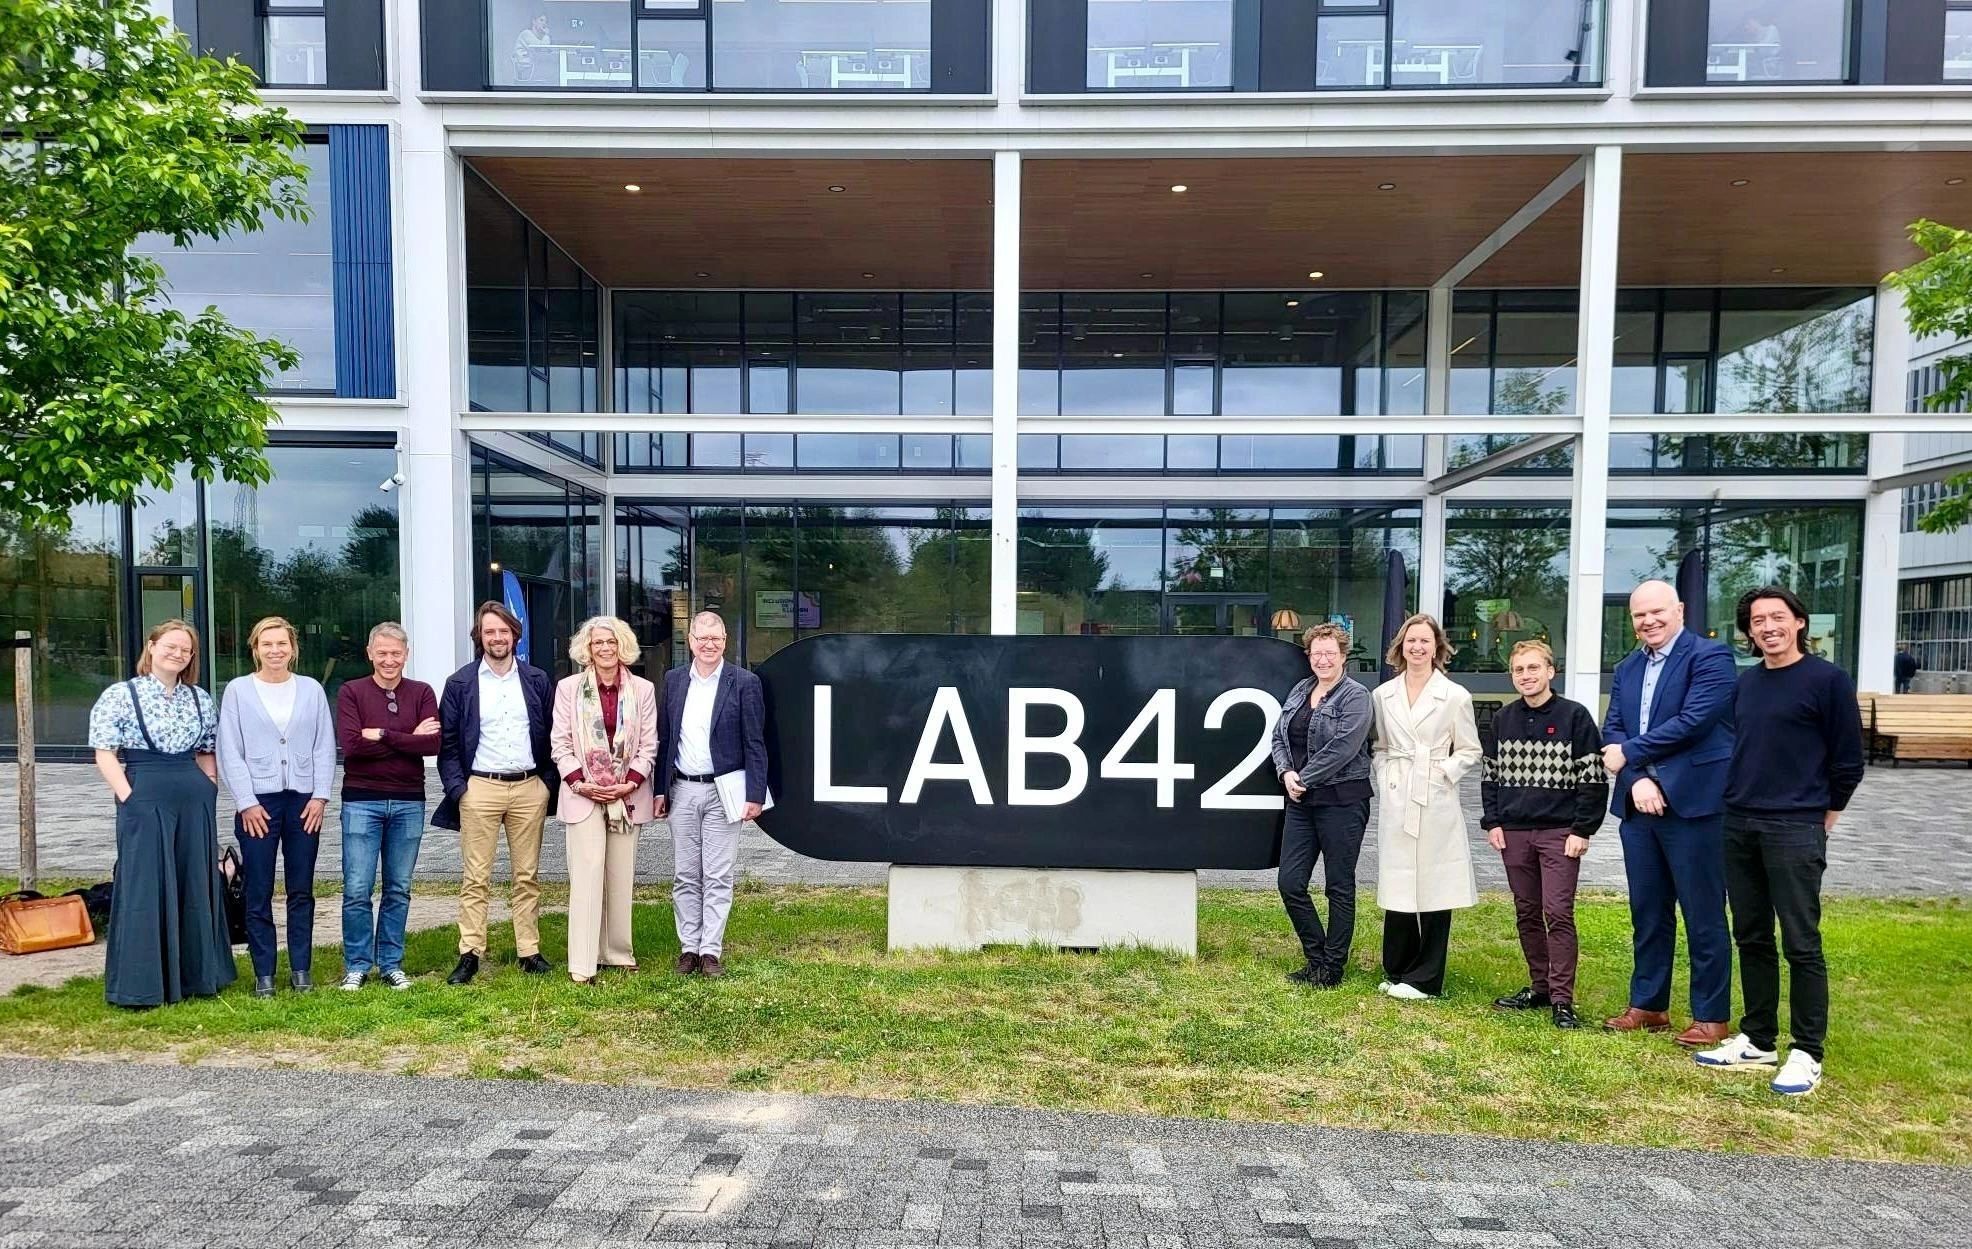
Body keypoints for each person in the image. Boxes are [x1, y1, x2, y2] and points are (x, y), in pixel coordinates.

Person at [1694, 586, 1865, 1097]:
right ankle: (1758, 1039)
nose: (1768, 627)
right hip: (1739, 822)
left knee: (1801, 942)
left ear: (1799, 622)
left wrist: (1823, 818)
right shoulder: (1747, 684)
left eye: (1777, 617)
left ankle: (1807, 1051)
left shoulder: (1828, 680)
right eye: (1757, 620)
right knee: (1750, 935)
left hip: (1795, 826)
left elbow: (1848, 761)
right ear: (1749, 631)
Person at [1600, 579, 1737, 1046]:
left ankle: (1711, 1015)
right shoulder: (1628, 667)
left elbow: (1693, 722)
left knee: (1703, 913)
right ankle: (1648, 1004)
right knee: (1648, 910)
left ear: (1679, 610)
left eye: (1657, 611)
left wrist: (1630, 756)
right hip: (1639, 804)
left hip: (1694, 803)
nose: (1649, 621)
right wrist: (1637, 778)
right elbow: (1613, 728)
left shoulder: (1710, 658)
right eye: (1640, 615)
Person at [88, 619, 235, 1008]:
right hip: (144, 793)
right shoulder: (121, 695)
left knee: (194, 881)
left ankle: (197, 976)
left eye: (185, 649)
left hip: (193, 798)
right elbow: (104, 752)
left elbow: (207, 749)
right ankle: (142, 984)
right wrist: (128, 797)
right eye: (171, 646)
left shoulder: (199, 698)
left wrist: (209, 787)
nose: (178, 654)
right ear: (152, 647)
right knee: (144, 883)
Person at [1481, 639, 1607, 1030]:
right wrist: (1493, 822)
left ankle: (1562, 999)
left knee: (1557, 912)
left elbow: (1593, 777)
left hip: (1559, 832)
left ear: (1551, 671)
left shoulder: (1575, 716)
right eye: (1519, 670)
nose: (1526, 676)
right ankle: (1540, 988)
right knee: (1527, 912)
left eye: (1534, 668)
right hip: (1514, 832)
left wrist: (1582, 829)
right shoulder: (1503, 720)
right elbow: (1490, 775)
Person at [434, 601, 557, 985]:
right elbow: (447, 744)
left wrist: (546, 783)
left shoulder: (537, 680)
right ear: (480, 637)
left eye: (504, 631)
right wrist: (460, 790)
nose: (497, 638)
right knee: (476, 877)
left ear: (515, 636)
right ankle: (470, 953)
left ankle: (529, 951)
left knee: (527, 876)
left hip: (528, 788)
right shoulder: (460, 683)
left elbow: (554, 733)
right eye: (490, 631)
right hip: (480, 788)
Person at [216, 616, 337, 998]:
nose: (275, 650)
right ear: (255, 649)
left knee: (301, 888)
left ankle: (301, 969)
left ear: (293, 648)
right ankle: (264, 973)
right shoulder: (238, 691)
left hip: (303, 802)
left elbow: (324, 746)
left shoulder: (311, 689)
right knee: (258, 889)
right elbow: (229, 750)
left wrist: (320, 796)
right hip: (258, 804)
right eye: (267, 644)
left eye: (281, 643)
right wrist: (245, 802)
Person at [1370, 613, 1482, 1000]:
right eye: (1411, 640)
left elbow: (1469, 749)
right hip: (1398, 790)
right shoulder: (1383, 695)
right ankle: (1398, 968)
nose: (1417, 647)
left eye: (1425, 641)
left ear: (1437, 648)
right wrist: (1386, 773)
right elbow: (1381, 746)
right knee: (1399, 880)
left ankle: (1426, 978)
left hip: (1435, 797)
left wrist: (1442, 773)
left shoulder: (1455, 696)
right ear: (1401, 646)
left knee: (1436, 883)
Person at [656, 611, 767, 979]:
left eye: (715, 638)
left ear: (725, 641)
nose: (708, 644)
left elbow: (755, 741)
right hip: (682, 789)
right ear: (690, 641)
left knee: (718, 875)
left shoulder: (745, 682)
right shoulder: (673, 680)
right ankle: (688, 947)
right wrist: (659, 790)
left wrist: (755, 793)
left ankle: (710, 951)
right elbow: (665, 737)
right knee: (686, 874)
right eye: (702, 638)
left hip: (724, 791)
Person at [551, 615, 660, 985]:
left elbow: (649, 745)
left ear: (622, 646)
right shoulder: (568, 689)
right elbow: (560, 743)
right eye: (598, 642)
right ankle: (583, 963)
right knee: (587, 875)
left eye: (611, 642)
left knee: (619, 876)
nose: (605, 648)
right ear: (587, 648)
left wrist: (628, 784)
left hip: (627, 797)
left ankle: (615, 952)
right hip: (583, 795)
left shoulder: (643, 690)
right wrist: (581, 784)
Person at [335, 622, 441, 992]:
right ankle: (357, 965)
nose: (389, 660)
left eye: (396, 653)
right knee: (357, 888)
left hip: (409, 801)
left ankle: (391, 964)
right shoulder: (352, 691)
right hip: (361, 801)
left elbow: (432, 745)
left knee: (398, 887)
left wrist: (382, 734)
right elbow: (352, 746)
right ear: (370, 653)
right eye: (382, 653)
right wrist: (409, 738)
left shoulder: (422, 692)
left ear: (406, 654)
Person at [1268, 621, 1375, 989]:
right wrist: (1285, 772)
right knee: (1290, 882)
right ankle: (1316, 957)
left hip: (1342, 801)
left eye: (1330, 653)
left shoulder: (1356, 697)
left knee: (1339, 887)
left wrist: (1304, 778)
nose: (1323, 660)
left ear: (1343, 656)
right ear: (1309, 656)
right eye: (1317, 653)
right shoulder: (1300, 690)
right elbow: (1278, 735)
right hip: (1301, 801)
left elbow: (1344, 747)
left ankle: (1332, 967)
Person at [511, 12, 551, 83]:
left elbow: (544, 52)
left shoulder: (540, 37)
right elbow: (540, 48)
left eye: (545, 21)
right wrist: (546, 35)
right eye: (541, 20)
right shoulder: (526, 33)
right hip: (525, 66)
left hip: (532, 66)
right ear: (534, 21)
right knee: (551, 69)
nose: (544, 23)